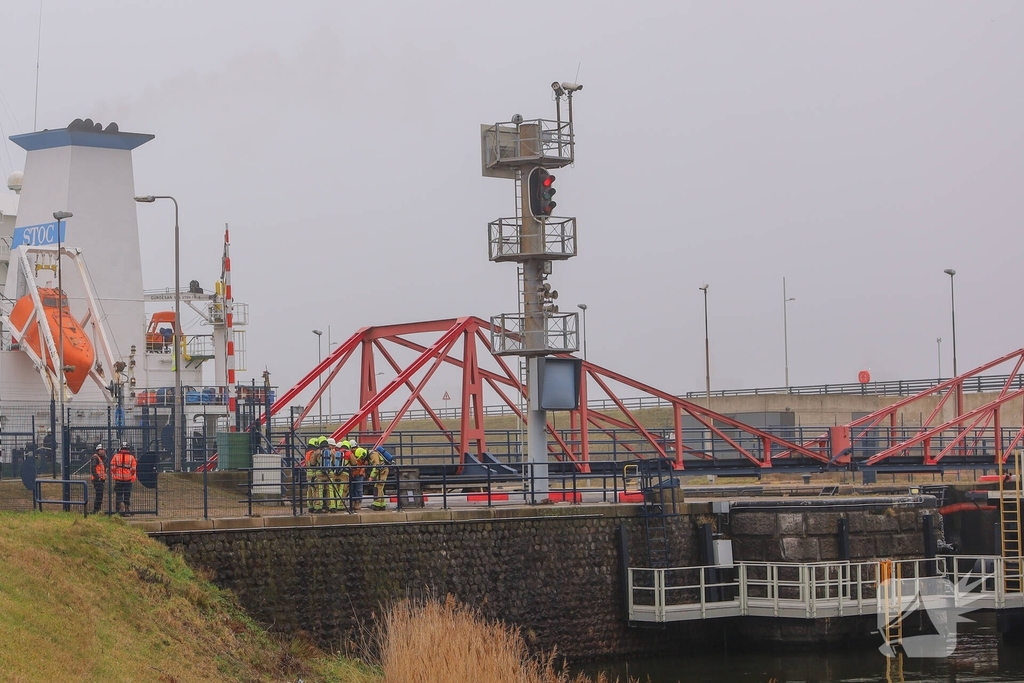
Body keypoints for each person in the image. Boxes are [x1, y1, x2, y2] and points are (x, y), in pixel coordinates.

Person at [110, 442, 137, 515]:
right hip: (128, 479)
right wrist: (130, 473)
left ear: (121, 448)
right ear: (128, 448)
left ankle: (120, 507)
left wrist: (116, 473)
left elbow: (112, 467)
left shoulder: (116, 456)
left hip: (118, 478)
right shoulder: (131, 457)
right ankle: (127, 509)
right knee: (127, 494)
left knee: (118, 493)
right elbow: (134, 468)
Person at [367, 446, 393, 511]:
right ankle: (382, 504)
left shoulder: (373, 455)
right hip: (382, 470)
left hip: (382, 471)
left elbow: (376, 466)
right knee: (380, 487)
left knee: (378, 486)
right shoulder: (373, 453)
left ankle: (377, 504)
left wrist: (371, 477)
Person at [347, 441, 368, 512]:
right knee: (352, 489)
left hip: (359, 474)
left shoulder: (361, 451)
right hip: (353, 474)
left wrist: (362, 470)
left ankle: (358, 503)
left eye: (354, 448)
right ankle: (352, 502)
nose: (354, 449)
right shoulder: (350, 453)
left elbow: (365, 462)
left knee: (358, 489)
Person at [89, 444, 107, 514]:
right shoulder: (95, 458)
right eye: (101, 450)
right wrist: (98, 477)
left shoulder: (100, 458)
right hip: (97, 480)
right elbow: (93, 468)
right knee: (99, 495)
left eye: (103, 450)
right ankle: (96, 510)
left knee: (100, 495)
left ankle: (97, 509)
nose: (103, 451)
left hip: (100, 479)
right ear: (98, 451)